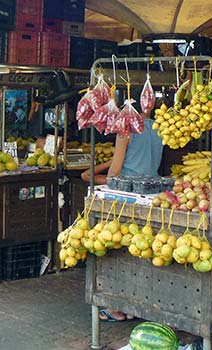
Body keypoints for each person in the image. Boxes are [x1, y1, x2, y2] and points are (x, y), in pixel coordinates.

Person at [80, 110, 164, 322]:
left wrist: (94, 175)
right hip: (150, 194)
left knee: (116, 250)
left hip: (125, 197)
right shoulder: (157, 127)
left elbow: (114, 175)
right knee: (141, 249)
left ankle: (116, 307)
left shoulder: (125, 131)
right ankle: (137, 305)